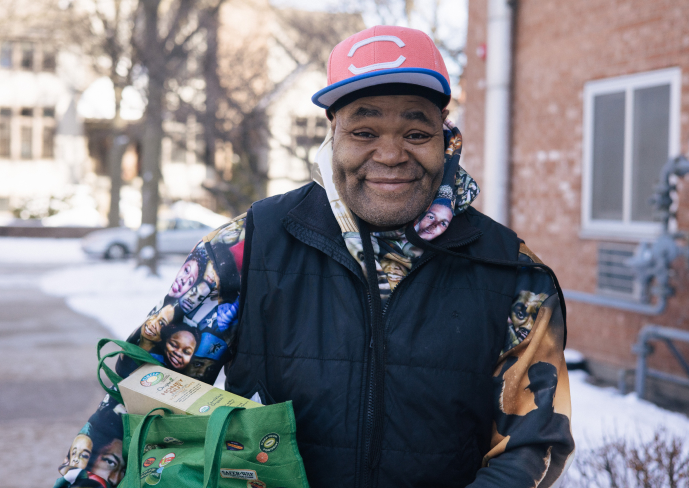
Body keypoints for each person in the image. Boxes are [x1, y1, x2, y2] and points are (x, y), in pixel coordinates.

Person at [56, 25, 574, 488]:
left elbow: (534, 445)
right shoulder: (249, 245)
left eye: (415, 133)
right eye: (364, 131)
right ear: (332, 133)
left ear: (446, 136)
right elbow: (144, 393)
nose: (390, 155)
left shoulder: (514, 275)